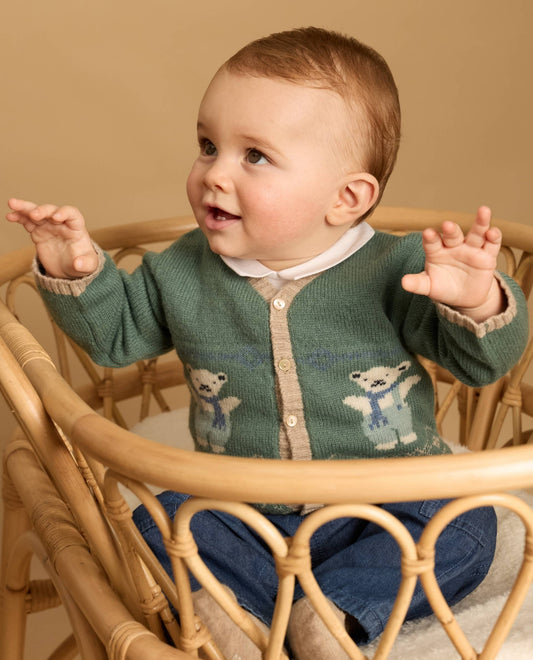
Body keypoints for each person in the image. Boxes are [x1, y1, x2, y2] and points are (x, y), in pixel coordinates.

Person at [6, 26, 528, 659]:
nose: (214, 174)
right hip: (242, 512)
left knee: (468, 520)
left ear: (347, 197)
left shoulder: (401, 268)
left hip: (385, 507)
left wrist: (474, 302)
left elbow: (480, 366)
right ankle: (233, 615)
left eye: (253, 156)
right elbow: (116, 338)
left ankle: (333, 615)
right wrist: (76, 273)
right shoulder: (181, 270)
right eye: (208, 146)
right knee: (153, 521)